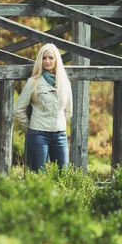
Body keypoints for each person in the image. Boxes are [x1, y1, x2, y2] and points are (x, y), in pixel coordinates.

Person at [13, 43, 72, 172]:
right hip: (38, 135)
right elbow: (18, 109)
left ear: (56, 60)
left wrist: (58, 124)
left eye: (51, 58)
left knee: (63, 175)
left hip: (60, 135)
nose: (47, 61)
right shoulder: (33, 82)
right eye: (44, 58)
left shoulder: (64, 82)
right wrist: (30, 128)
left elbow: (68, 111)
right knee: (39, 176)